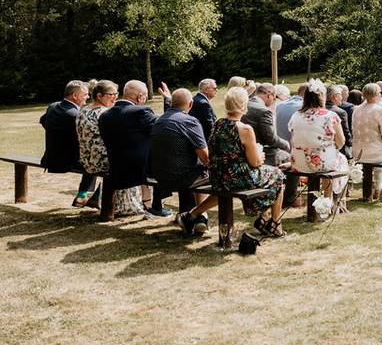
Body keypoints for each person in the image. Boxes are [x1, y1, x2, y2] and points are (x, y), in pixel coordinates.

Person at [185, 87, 285, 236]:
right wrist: (260, 156)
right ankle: (275, 223)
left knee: (237, 184)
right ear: (244, 106)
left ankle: (263, 217)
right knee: (278, 175)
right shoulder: (244, 129)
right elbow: (255, 163)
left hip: (218, 176)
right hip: (237, 178)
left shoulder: (218, 124)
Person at [99, 80, 173, 217]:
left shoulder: (105, 115)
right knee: (165, 155)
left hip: (116, 165)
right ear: (140, 97)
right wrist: (168, 101)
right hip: (139, 168)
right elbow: (165, 127)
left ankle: (151, 204)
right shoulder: (140, 111)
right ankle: (157, 207)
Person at [77, 80, 147, 216]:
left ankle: (98, 199)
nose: (116, 97)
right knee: (134, 159)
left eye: (117, 93)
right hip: (103, 161)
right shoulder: (105, 113)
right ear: (99, 96)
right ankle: (127, 206)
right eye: (111, 94)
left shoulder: (83, 110)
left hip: (87, 160)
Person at [150, 88, 213, 234]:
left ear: (172, 103)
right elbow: (205, 156)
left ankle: (196, 217)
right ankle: (199, 216)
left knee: (194, 169)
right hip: (181, 177)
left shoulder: (159, 120)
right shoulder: (189, 121)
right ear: (190, 104)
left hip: (160, 175)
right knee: (211, 176)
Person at [288, 80, 349, 207]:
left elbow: (293, 137)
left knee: (329, 157)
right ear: (321, 96)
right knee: (340, 159)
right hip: (321, 163)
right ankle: (330, 199)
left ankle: (327, 201)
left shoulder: (295, 115)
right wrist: (332, 149)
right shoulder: (330, 115)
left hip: (298, 163)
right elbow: (341, 141)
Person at [40, 79, 97, 207]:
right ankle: (84, 195)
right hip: (65, 162)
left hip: (49, 158)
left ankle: (87, 195)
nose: (88, 97)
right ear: (74, 96)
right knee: (96, 162)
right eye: (86, 94)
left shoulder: (53, 106)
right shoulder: (77, 115)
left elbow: (43, 121)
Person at [242, 83, 290, 166]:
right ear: (269, 95)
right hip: (258, 152)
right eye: (274, 98)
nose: (273, 101)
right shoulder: (264, 111)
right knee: (289, 158)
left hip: (242, 150)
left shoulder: (244, 105)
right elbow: (271, 139)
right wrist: (286, 144)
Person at [326, 85, 352, 159]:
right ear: (335, 97)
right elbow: (346, 134)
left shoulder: (319, 110)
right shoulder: (340, 112)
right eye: (340, 94)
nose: (342, 97)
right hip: (338, 151)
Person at [189, 78, 218, 143]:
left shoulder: (197, 99)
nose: (217, 90)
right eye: (214, 88)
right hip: (203, 141)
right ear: (206, 90)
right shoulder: (203, 103)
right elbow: (209, 126)